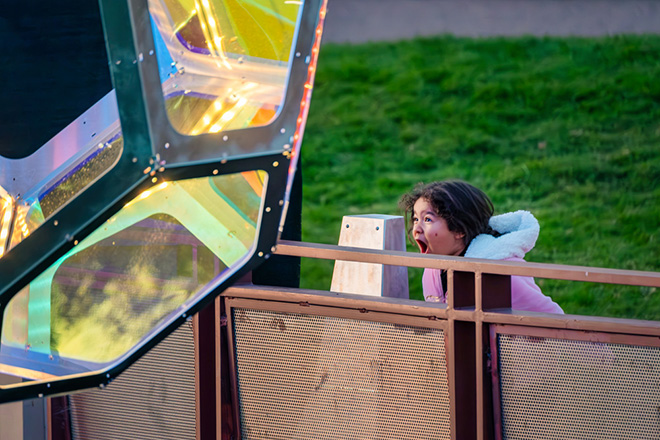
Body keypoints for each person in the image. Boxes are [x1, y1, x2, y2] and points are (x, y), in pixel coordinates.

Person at [399, 180, 563, 314]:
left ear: (459, 229)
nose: (416, 229)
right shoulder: (433, 271)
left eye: (427, 219)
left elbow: (553, 319)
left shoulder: (498, 272)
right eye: (415, 219)